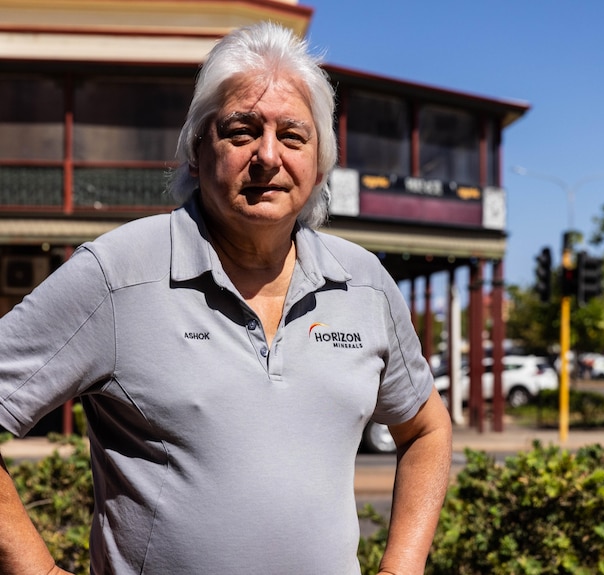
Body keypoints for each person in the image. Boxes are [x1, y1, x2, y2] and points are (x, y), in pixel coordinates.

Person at [0, 21, 452, 575]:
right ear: (196, 150)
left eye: (292, 135)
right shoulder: (116, 274)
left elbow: (427, 429)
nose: (267, 155)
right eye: (241, 130)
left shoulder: (365, 282)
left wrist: (400, 568)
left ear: (319, 162)